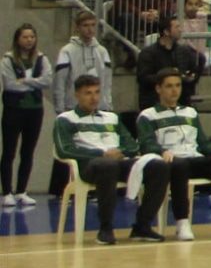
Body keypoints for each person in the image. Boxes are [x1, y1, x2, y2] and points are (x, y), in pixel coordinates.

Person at [57, 72, 170, 244]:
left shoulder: (112, 118)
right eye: (88, 93)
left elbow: (132, 145)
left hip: (119, 162)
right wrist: (101, 154)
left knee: (158, 166)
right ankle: (106, 228)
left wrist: (121, 151)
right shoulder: (66, 119)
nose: (94, 98)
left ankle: (142, 226)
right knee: (106, 165)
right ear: (77, 95)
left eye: (96, 92)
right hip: (89, 166)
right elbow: (64, 150)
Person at [136, 67, 211, 238]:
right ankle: (182, 222)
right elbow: (146, 143)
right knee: (180, 165)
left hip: (195, 159)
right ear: (158, 88)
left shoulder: (190, 112)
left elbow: (203, 142)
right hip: (171, 162)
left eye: (178, 85)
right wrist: (161, 151)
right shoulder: (148, 115)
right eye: (169, 86)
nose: (174, 90)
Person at [4, 23, 49, 207]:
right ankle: (7, 191)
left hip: (35, 110)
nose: (29, 40)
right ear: (17, 39)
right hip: (14, 110)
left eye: (32, 37)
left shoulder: (41, 59)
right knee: (9, 151)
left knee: (28, 151)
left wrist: (27, 81)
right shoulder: (8, 60)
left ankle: (22, 190)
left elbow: (47, 80)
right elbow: (10, 84)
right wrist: (33, 84)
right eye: (25, 37)